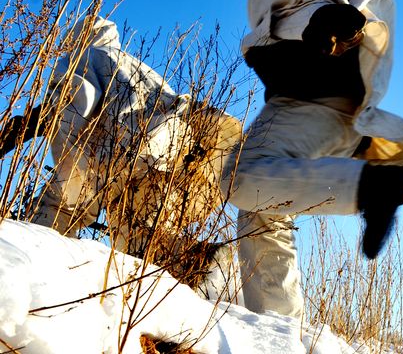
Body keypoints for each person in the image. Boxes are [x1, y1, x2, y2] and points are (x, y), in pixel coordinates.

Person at [224, 0, 403, 321]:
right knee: (265, 206)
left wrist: (334, 19)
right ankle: (276, 326)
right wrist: (352, 12)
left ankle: (371, 186)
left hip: (305, 97)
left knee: (241, 178)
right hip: (338, 106)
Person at [0, 15, 241, 265]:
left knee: (57, 205)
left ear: (75, 39)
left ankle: (34, 260)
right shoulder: (135, 65)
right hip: (165, 155)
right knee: (137, 236)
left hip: (115, 147)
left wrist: (72, 169)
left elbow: (74, 105)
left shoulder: (83, 58)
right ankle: (197, 261)